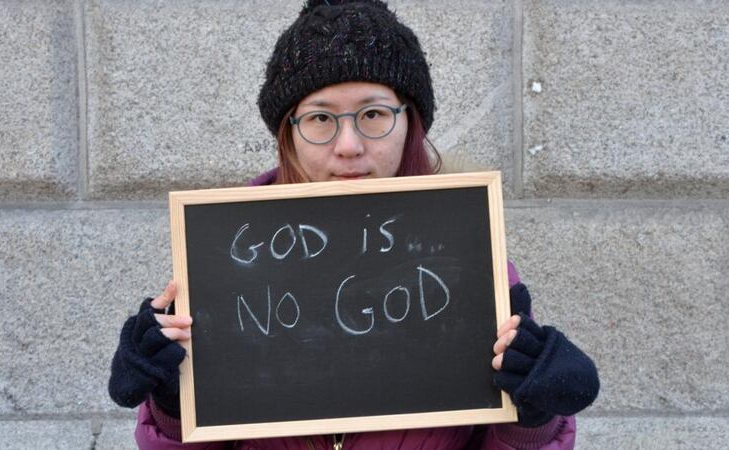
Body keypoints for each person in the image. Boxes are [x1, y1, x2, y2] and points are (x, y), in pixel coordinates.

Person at [108, 1, 600, 449]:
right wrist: (173, 406)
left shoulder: (472, 254)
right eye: (321, 118)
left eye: (373, 114)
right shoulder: (225, 258)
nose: (348, 145)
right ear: (289, 133)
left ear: (411, 123)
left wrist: (533, 414)